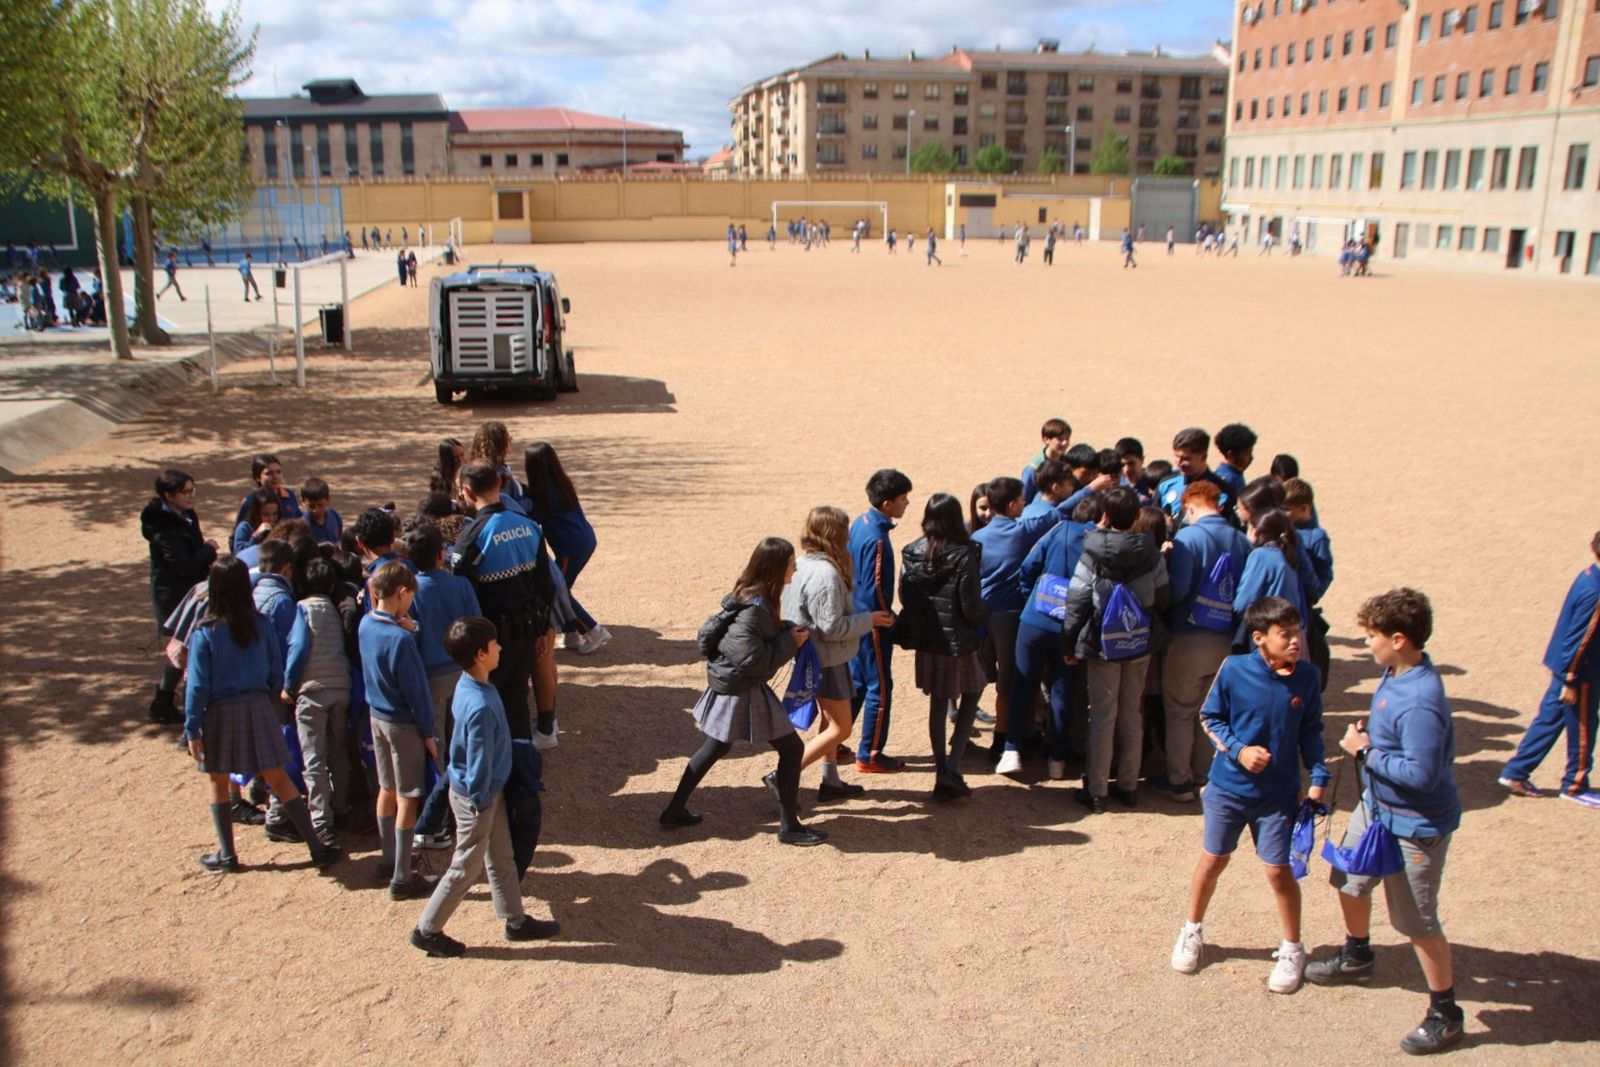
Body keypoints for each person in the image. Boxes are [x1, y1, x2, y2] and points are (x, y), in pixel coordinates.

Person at [1304, 588, 1465, 1056]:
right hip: (1376, 808)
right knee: (1349, 879)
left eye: (1372, 636)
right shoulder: (1396, 672)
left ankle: (1445, 1012)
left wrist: (1366, 751)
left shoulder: (1419, 700)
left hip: (1414, 824)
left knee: (1417, 920)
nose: (1367, 644)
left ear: (1398, 639)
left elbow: (1422, 773)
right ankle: (1358, 953)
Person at [1170, 596, 1328, 993]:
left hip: (1278, 796)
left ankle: (1292, 948)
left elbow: (1310, 729)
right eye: (1285, 634)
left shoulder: (1307, 678)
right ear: (1259, 638)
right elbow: (1210, 716)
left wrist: (1319, 773)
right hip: (1228, 790)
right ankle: (1192, 930)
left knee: (1278, 870)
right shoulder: (1235, 669)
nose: (1295, 641)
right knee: (1213, 860)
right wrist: (1239, 750)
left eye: (1298, 633)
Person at [410, 616, 560, 956]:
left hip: (486, 793)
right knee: (466, 866)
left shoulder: (469, 684)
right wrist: (481, 801)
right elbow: (478, 760)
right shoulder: (479, 704)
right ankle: (428, 929)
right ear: (481, 654)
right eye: (495, 645)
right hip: (479, 798)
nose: (501, 648)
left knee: (501, 855)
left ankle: (515, 919)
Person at [660, 537, 825, 846]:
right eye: (791, 564)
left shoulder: (752, 597)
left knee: (716, 747)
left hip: (732, 686)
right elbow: (754, 659)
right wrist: (792, 642)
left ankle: (674, 809)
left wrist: (786, 629)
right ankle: (789, 827)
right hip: (742, 690)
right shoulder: (756, 608)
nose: (795, 567)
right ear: (776, 570)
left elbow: (755, 641)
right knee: (792, 750)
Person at [184, 557, 339, 871]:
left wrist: (193, 728)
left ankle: (227, 855)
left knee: (218, 780)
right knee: (279, 777)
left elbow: (197, 685)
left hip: (220, 711)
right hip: (258, 707)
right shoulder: (261, 625)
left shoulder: (206, 632)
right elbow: (274, 670)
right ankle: (316, 847)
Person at [1060, 487, 1167, 810]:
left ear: (1104, 515)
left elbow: (1077, 599)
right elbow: (1163, 595)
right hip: (1138, 640)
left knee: (1103, 716)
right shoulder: (1150, 551)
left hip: (1102, 642)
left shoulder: (1092, 551)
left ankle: (1096, 789)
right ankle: (1129, 784)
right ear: (1136, 515)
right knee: (1132, 714)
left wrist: (1069, 641)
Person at [785, 507, 894, 799]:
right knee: (841, 729)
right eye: (844, 531)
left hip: (812, 656)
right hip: (829, 659)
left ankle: (830, 780)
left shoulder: (803, 564)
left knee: (828, 722)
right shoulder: (826, 574)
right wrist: (869, 620)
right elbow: (832, 627)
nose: (849, 537)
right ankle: (783, 775)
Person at [452, 459, 557, 745]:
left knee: (488, 701)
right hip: (526, 631)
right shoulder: (529, 527)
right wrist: (540, 631)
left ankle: (496, 767)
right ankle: (523, 772)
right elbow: (545, 586)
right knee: (517, 700)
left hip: (489, 637)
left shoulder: (473, 537)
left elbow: (460, 587)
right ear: (499, 483)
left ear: (467, 492)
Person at [894, 493, 990, 798]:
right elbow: (971, 606)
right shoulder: (965, 554)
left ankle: (942, 770)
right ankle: (952, 766)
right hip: (958, 641)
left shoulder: (911, 552)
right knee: (973, 693)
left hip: (928, 640)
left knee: (938, 701)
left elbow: (905, 597)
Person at [1162, 482, 1251, 802]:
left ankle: (1179, 779)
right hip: (1226, 637)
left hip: (1188, 635)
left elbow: (1179, 589)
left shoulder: (1189, 538)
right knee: (1209, 710)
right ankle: (1203, 773)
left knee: (1180, 710)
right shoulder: (1241, 541)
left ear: (1189, 506)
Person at [1498, 531, 1600, 801]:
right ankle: (1575, 785)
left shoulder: (1588, 576)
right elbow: (1580, 640)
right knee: (1583, 725)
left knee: (1550, 720)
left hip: (1566, 666)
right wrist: (1569, 679)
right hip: (1580, 672)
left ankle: (1516, 771)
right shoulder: (1596, 591)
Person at [361, 560, 440, 899]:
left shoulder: (366, 624)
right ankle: (402, 876)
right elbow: (418, 691)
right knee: (409, 795)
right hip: (403, 723)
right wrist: (428, 732)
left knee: (386, 787)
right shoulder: (400, 640)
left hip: (376, 715)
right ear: (402, 593)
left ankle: (388, 858)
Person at [1008, 491, 1100, 780]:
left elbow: (1028, 567)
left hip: (1036, 618)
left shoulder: (1059, 529)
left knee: (1023, 683)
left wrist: (1030, 597)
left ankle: (1011, 749)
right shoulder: (1100, 542)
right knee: (1063, 691)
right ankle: (1057, 759)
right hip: (1072, 627)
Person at [281, 558, 353, 846]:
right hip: (341, 686)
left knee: (314, 758)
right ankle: (342, 807)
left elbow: (298, 648)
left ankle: (321, 820)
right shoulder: (337, 610)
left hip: (312, 690)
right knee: (339, 752)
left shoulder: (302, 608)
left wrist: (288, 685)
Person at [848, 469, 913, 772]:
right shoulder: (876, 538)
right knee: (880, 687)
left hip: (856, 615)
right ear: (888, 504)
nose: (906, 504)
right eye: (903, 499)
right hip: (873, 622)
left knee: (859, 682)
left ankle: (836, 739)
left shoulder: (860, 524)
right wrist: (889, 619)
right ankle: (871, 753)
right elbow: (877, 588)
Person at [142, 469, 219, 724]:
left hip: (190, 591)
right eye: (185, 492)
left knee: (183, 649)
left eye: (192, 490)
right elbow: (184, 565)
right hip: (175, 596)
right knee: (183, 649)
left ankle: (164, 699)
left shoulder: (186, 516)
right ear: (169, 495)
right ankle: (168, 701)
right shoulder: (164, 529)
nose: (191, 496)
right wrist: (208, 550)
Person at [523, 443, 610, 654]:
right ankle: (571, 633)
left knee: (556, 591)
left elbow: (533, 519)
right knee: (562, 588)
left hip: (570, 548)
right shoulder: (560, 483)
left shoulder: (544, 493)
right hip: (583, 540)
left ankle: (593, 630)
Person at [1157, 427, 1234, 526]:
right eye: (1176, 456)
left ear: (1203, 457)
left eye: (1185, 459)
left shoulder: (1222, 493)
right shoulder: (1166, 484)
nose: (1179, 463)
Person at [1021, 417, 1073, 505]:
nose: (1065, 443)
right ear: (1046, 439)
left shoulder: (1068, 463)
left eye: (1067, 439)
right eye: (1060, 439)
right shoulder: (1033, 469)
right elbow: (1025, 499)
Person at [1213, 423, 1257, 503]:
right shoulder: (1225, 480)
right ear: (1231, 455)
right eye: (1247, 453)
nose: (1251, 458)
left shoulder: (1236, 475)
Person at [232, 488, 281, 555]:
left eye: (275, 514)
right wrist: (256, 536)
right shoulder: (244, 528)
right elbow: (239, 554)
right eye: (266, 515)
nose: (271, 519)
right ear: (256, 513)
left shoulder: (281, 525)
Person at [300, 477, 343, 545]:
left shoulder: (334, 516)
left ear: (328, 500)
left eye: (320, 505)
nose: (315, 510)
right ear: (302, 502)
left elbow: (340, 539)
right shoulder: (302, 526)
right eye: (311, 506)